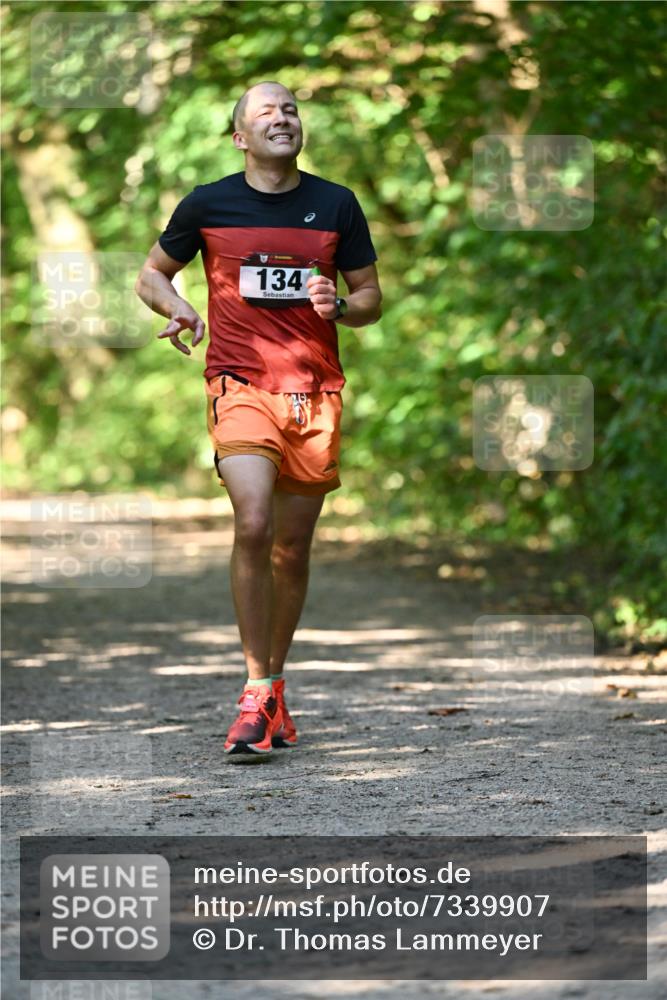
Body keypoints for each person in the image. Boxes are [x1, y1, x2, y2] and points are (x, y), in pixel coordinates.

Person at [135, 81, 382, 761]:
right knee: (252, 520)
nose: (283, 117)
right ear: (241, 137)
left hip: (313, 392)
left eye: (291, 109)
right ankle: (252, 691)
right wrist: (178, 309)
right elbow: (151, 275)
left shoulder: (335, 205)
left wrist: (341, 307)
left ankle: (272, 687)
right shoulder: (208, 203)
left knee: (291, 549)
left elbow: (372, 299)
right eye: (266, 111)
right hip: (238, 381)